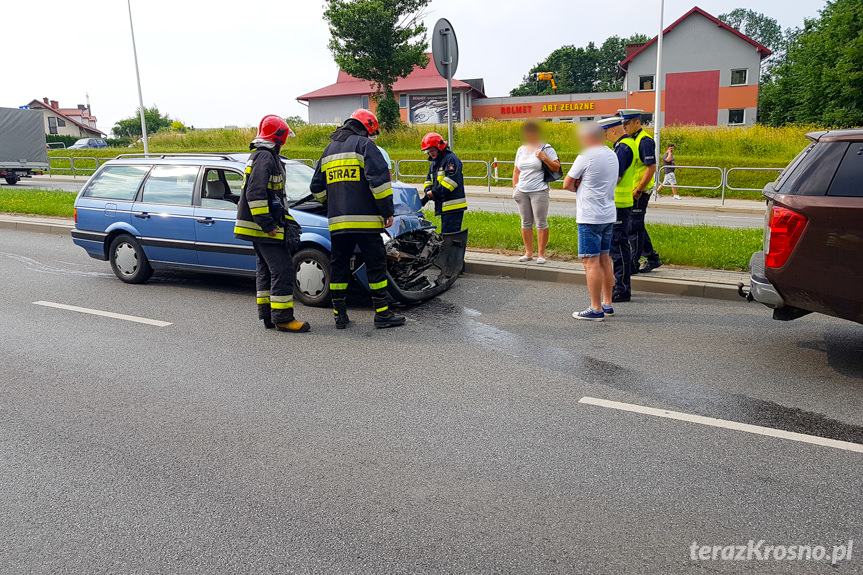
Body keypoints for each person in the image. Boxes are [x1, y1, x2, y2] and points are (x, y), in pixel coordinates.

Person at [310, 109, 405, 329]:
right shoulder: (365, 146)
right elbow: (380, 185)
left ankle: (340, 316)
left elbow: (316, 188)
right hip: (366, 222)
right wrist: (387, 212)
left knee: (339, 266)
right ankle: (382, 315)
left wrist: (332, 203)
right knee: (375, 266)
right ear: (368, 127)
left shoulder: (328, 150)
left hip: (338, 223)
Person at [234, 115, 310, 333]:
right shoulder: (266, 157)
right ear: (279, 136)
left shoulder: (261, 155)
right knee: (282, 270)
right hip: (264, 228)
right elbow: (255, 194)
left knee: (266, 270)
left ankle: (269, 316)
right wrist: (267, 225)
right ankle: (284, 318)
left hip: (260, 227)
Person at [562, 121, 619, 321]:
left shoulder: (586, 156)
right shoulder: (612, 154)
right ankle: (607, 304)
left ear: (588, 137)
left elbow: (567, 184)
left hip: (589, 215)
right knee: (605, 260)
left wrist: (580, 184)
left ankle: (595, 309)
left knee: (590, 261)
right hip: (608, 214)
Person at [618, 109, 662, 274]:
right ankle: (652, 257)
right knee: (637, 226)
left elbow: (651, 168)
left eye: (627, 123)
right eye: (623, 123)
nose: (624, 126)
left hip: (639, 192)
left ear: (637, 122)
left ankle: (632, 264)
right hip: (633, 191)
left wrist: (639, 189)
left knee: (634, 228)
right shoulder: (633, 139)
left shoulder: (644, 141)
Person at [512, 121, 560, 264]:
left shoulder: (546, 148)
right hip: (522, 190)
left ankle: (541, 254)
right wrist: (515, 188)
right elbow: (516, 170)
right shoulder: (521, 149)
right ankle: (528, 253)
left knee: (540, 222)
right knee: (525, 222)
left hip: (539, 190)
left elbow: (557, 167)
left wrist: (544, 158)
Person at [599, 116, 635, 303]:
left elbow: (617, 177)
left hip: (619, 204)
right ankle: (621, 286)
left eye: (606, 133)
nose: (605, 137)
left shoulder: (623, 148)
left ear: (613, 131)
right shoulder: (624, 145)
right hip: (620, 203)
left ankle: (621, 288)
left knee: (619, 248)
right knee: (619, 246)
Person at [421, 132, 466, 234]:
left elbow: (451, 182)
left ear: (439, 147)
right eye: (428, 151)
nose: (430, 154)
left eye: (432, 150)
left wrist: (433, 193)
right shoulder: (435, 163)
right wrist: (428, 191)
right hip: (444, 206)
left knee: (449, 236)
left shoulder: (451, 160)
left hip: (453, 207)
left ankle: (451, 251)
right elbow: (428, 180)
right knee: (446, 235)